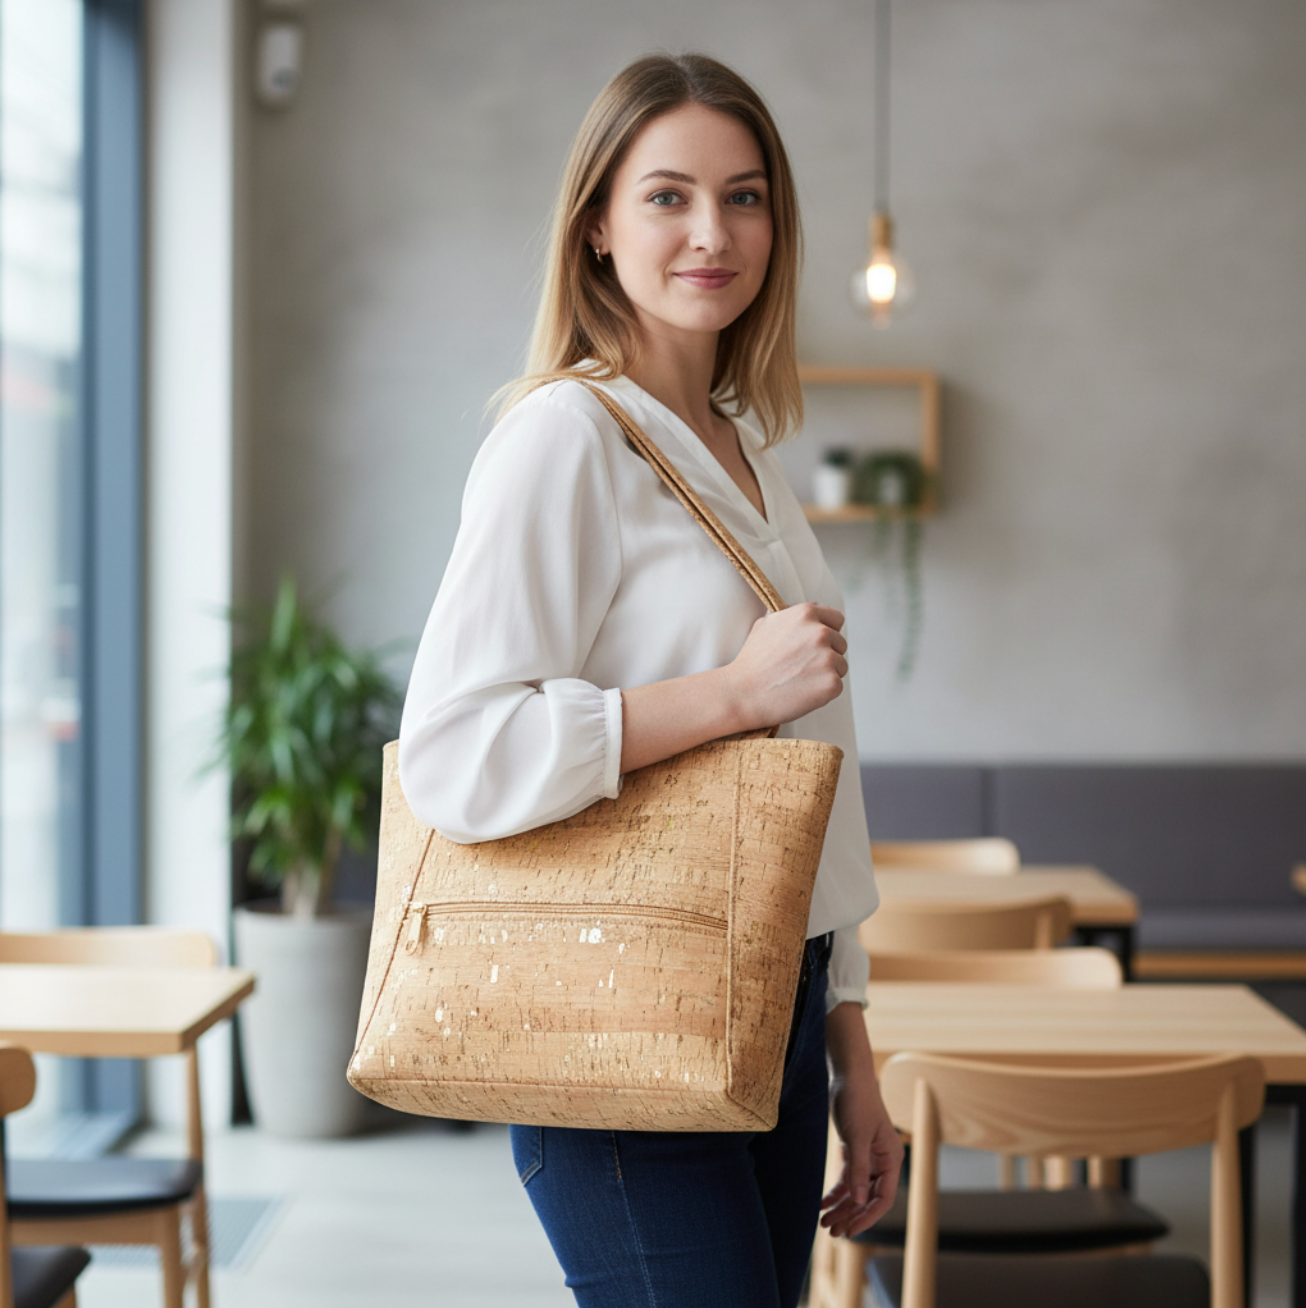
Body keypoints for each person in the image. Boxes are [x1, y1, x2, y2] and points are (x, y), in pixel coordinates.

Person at [399, 51, 902, 1308]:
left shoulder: (745, 455)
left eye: (743, 197)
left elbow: (816, 783)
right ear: (599, 229)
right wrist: (731, 694)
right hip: (621, 1006)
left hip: (774, 1004)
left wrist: (853, 1051)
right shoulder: (562, 437)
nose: (710, 233)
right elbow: (459, 749)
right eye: (668, 196)